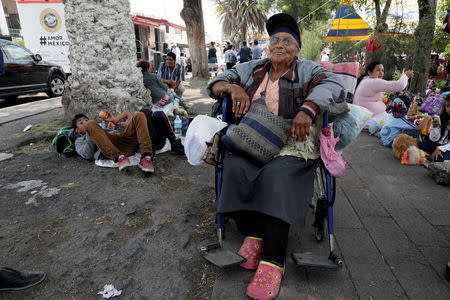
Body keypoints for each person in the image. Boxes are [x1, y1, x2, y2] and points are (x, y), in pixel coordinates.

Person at [207, 13, 345, 300]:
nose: (279, 45)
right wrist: (232, 87)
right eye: (274, 40)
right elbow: (218, 82)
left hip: (292, 141)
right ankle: (253, 232)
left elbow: (333, 86)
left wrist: (308, 108)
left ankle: (273, 258)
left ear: (297, 47)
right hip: (254, 136)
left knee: (277, 175)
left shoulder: (308, 69)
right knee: (234, 167)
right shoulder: (252, 68)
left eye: (286, 40)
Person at [72, 112, 155, 172]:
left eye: (86, 120)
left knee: (139, 115)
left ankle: (146, 156)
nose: (85, 122)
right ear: (77, 130)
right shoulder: (79, 141)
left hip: (125, 142)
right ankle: (119, 158)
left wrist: (114, 122)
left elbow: (123, 132)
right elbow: (87, 154)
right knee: (91, 124)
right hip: (112, 149)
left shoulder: (102, 128)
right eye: (81, 122)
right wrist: (89, 133)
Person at [353, 61, 414, 128]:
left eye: (382, 70)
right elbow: (400, 85)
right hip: (371, 120)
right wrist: (405, 76)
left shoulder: (366, 81)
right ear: (369, 72)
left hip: (365, 118)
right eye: (378, 70)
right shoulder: (374, 82)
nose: (381, 73)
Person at [418, 93, 450, 162]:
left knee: (439, 158)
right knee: (418, 145)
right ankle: (430, 154)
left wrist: (440, 149)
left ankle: (430, 154)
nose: (448, 109)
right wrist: (434, 127)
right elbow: (434, 139)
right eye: (447, 106)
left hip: (447, 147)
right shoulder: (444, 117)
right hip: (438, 144)